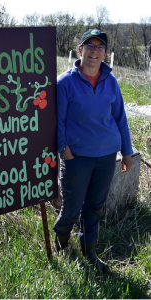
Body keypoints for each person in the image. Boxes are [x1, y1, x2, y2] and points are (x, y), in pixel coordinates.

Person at [54, 29, 133, 272]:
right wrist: (64, 150)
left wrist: (126, 151)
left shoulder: (111, 81)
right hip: (77, 157)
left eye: (100, 47)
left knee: (95, 207)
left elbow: (120, 118)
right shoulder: (64, 82)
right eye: (90, 45)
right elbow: (58, 120)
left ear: (105, 53)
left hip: (107, 155)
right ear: (80, 50)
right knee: (71, 207)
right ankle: (61, 247)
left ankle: (89, 251)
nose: (95, 51)